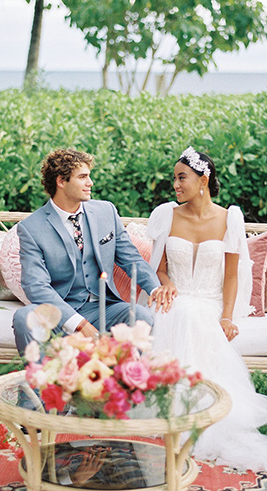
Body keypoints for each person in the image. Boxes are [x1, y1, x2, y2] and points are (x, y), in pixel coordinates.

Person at [147, 147, 267, 475]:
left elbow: (230, 277)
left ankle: (200, 410)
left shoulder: (230, 218)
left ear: (204, 179)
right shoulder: (167, 215)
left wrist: (226, 316)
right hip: (175, 297)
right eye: (174, 178)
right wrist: (167, 284)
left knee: (193, 314)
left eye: (181, 177)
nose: (175, 185)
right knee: (179, 309)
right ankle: (180, 405)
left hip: (209, 301)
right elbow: (161, 268)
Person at [13, 148, 169, 354]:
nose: (90, 183)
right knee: (24, 317)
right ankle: (41, 385)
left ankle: (120, 384)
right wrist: (79, 324)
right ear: (61, 181)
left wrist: (155, 289)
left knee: (140, 316)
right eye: (83, 177)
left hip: (107, 309)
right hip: (60, 315)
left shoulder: (106, 211)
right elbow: (36, 286)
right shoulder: (32, 228)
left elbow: (131, 259)